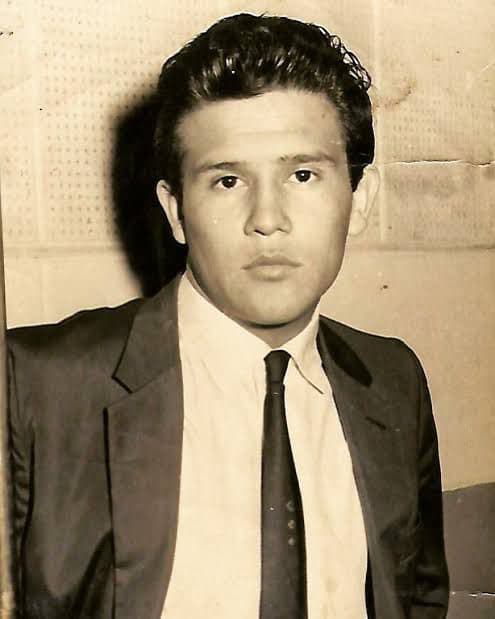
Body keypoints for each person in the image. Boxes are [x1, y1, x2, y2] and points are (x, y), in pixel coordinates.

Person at [6, 13, 449, 619]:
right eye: (227, 181)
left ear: (359, 198)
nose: (267, 219)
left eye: (302, 175)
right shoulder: (34, 386)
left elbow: (419, 597)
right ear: (176, 212)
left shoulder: (394, 380)